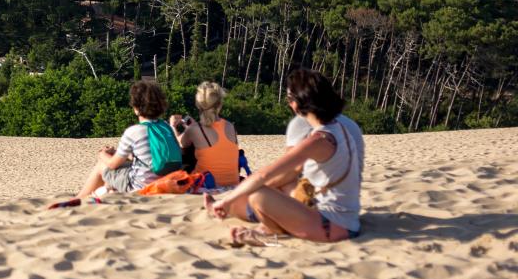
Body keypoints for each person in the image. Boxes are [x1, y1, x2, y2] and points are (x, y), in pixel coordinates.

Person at [206, 69, 364, 245]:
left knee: (258, 194)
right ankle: (268, 228)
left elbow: (265, 175)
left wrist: (227, 200)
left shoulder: (319, 140)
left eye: (290, 99)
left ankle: (267, 234)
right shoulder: (338, 128)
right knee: (277, 186)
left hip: (331, 226)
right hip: (347, 221)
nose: (289, 104)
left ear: (298, 104)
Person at [48, 80, 181, 207]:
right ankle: (103, 192)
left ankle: (78, 199)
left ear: (136, 108)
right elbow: (149, 157)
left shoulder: (134, 131)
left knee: (102, 165)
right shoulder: (165, 127)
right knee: (121, 167)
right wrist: (118, 154)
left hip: (140, 186)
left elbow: (113, 164)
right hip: (167, 182)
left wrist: (103, 154)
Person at [175, 82, 240, 187]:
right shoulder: (230, 126)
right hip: (233, 185)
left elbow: (180, 143)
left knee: (184, 153)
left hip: (205, 185)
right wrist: (194, 127)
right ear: (220, 104)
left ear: (198, 104)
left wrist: (173, 127)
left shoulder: (194, 129)